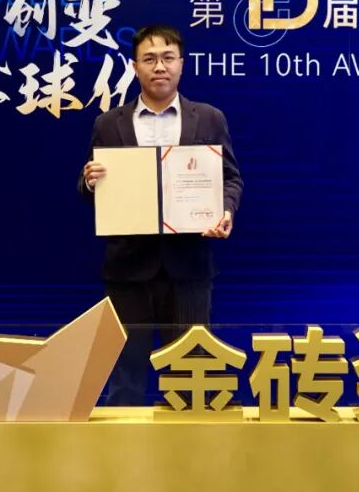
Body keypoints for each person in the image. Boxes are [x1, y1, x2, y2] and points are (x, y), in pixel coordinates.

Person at [79, 24, 243, 405]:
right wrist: (89, 181)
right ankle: (122, 445)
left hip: (188, 267)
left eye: (168, 58)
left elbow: (231, 179)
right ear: (134, 67)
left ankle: (190, 445)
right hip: (127, 269)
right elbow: (90, 192)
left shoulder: (209, 118)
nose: (159, 67)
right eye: (149, 59)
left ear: (181, 64)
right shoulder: (109, 123)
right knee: (125, 381)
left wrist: (225, 210)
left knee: (191, 377)